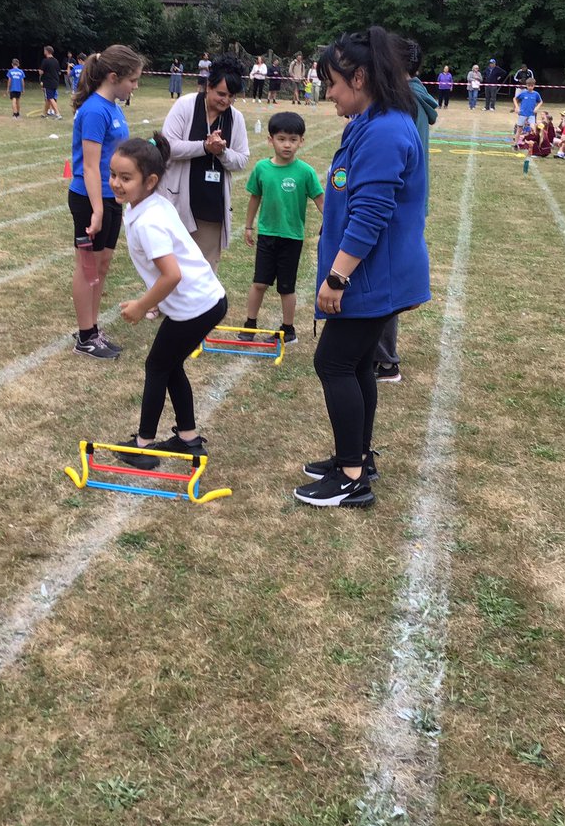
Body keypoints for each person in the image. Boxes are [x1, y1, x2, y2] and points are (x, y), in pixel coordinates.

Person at [294, 27, 430, 510]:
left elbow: (371, 214)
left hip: (373, 276)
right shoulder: (367, 122)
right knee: (355, 364)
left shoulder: (387, 129)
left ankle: (351, 477)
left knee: (331, 362)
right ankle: (357, 458)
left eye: (332, 82)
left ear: (360, 76)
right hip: (371, 274)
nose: (327, 92)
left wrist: (337, 277)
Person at [109, 134, 228, 467]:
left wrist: (142, 304)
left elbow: (171, 274)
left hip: (197, 306)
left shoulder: (149, 221)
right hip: (203, 301)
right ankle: (188, 438)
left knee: (157, 366)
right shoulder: (149, 205)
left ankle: (144, 445)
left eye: (126, 178)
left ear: (150, 181)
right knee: (169, 363)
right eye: (113, 175)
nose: (116, 183)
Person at [69, 44, 143, 359]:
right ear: (114, 77)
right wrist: (97, 209)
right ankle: (85, 336)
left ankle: (93, 329)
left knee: (102, 264)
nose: (135, 86)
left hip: (111, 197)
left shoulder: (113, 107)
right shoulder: (95, 110)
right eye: (133, 80)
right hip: (90, 199)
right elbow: (89, 165)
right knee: (88, 267)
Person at [373, 38, 437, 384]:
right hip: (410, 198)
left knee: (384, 279)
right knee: (387, 276)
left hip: (398, 199)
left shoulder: (405, 99)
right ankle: (381, 356)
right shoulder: (417, 96)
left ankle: (385, 360)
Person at [239, 111, 324, 347]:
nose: (287, 145)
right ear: (270, 140)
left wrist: (330, 223)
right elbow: (255, 197)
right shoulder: (262, 169)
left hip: (292, 237)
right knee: (259, 283)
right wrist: (248, 226)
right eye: (282, 138)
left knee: (286, 287)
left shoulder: (305, 172)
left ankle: (288, 329)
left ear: (301, 141)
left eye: (293, 139)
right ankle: (249, 325)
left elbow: (320, 200)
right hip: (267, 235)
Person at [160, 54, 250, 272]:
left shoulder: (235, 118)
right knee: (171, 266)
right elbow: (167, 146)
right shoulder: (185, 106)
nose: (225, 101)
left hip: (212, 206)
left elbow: (242, 159)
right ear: (208, 86)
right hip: (177, 202)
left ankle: (201, 307)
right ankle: (160, 306)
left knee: (203, 271)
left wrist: (222, 152)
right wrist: (204, 147)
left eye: (231, 96)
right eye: (221, 94)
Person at [39, 45, 62, 119]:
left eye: (44, 50)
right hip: (55, 81)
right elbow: (59, 72)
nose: (44, 51)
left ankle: (58, 114)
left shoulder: (45, 61)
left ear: (47, 51)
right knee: (48, 98)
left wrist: (40, 72)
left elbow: (41, 72)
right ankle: (44, 114)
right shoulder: (56, 60)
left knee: (50, 98)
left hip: (48, 82)